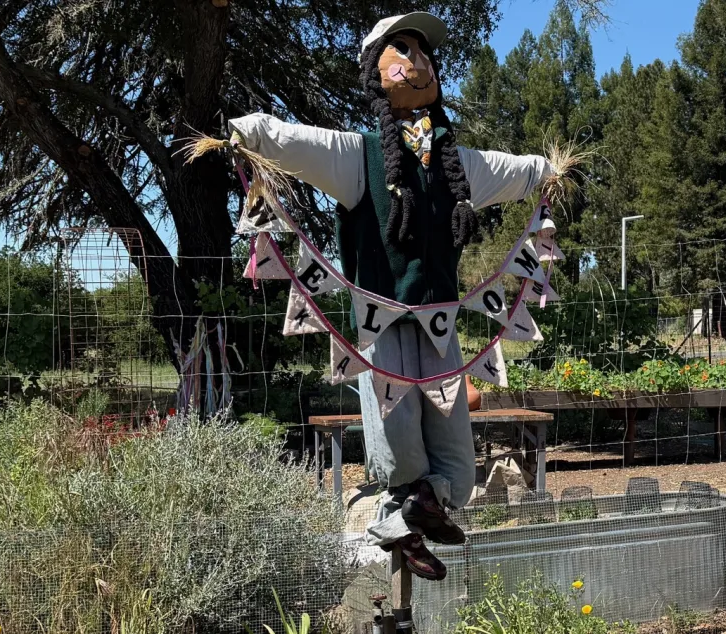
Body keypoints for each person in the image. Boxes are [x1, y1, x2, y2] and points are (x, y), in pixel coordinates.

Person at [226, 12, 557, 580]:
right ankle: (404, 517)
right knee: (398, 435)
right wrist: (249, 131)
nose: (418, 59)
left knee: (454, 448)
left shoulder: (456, 166)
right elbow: (294, 142)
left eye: (424, 51)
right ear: (374, 72)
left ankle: (410, 520)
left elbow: (514, 171)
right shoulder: (357, 158)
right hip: (381, 323)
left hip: (442, 321)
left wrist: (549, 172)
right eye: (401, 48)